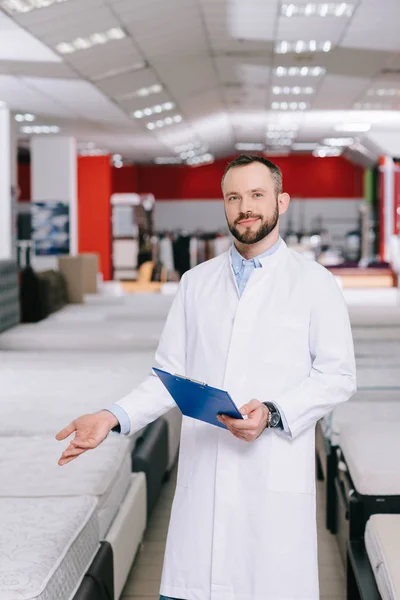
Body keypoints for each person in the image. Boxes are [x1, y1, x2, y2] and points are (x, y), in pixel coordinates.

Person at [57, 154, 356, 600]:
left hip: (271, 485)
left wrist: (273, 414)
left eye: (257, 195)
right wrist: (112, 416)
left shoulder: (316, 284)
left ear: (282, 200)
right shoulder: (196, 283)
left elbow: (338, 377)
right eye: (234, 197)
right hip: (205, 492)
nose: (245, 207)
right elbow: (169, 374)